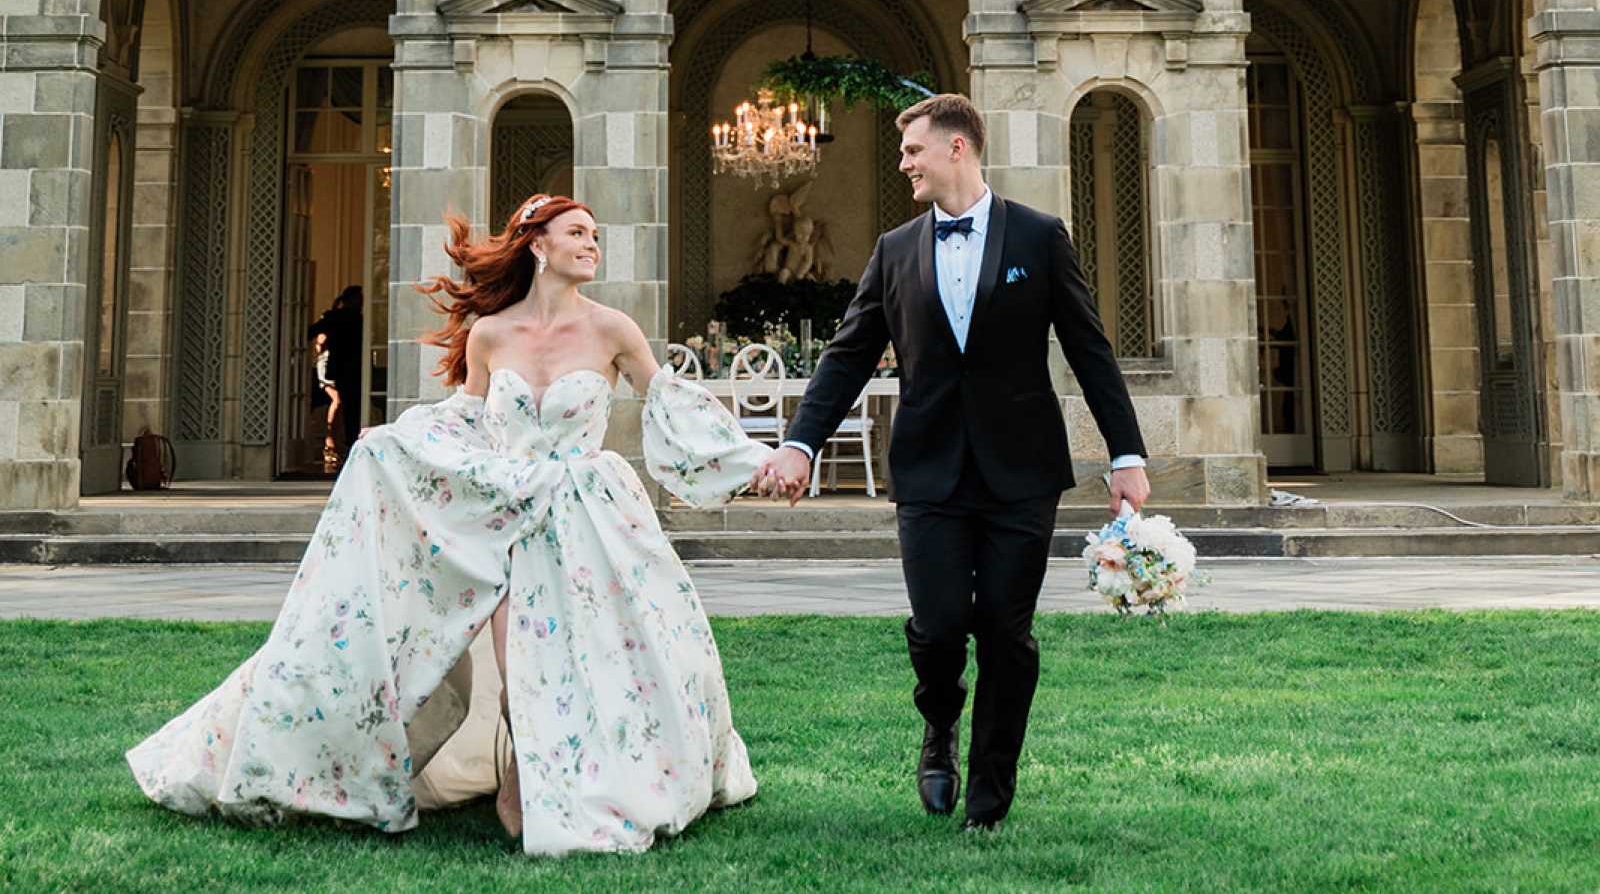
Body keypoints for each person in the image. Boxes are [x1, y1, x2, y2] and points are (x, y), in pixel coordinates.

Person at [127, 194, 765, 855]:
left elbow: (670, 404)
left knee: (610, 652)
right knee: (515, 649)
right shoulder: (490, 334)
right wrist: (390, 438)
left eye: (596, 234)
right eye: (578, 232)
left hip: (589, 515)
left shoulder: (613, 329)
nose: (593, 243)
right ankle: (522, 773)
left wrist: (754, 460)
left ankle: (613, 769)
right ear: (537, 244)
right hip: (507, 512)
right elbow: (465, 419)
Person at [754, 93, 1149, 832]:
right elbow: (846, 357)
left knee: (1005, 631)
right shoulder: (893, 249)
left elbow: (1091, 350)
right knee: (939, 627)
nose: (903, 162)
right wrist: (800, 443)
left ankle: (988, 802)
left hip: (1021, 471)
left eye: (913, 150)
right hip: (929, 471)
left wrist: (1125, 453)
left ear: (957, 148)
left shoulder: (1039, 237)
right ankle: (939, 728)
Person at [308, 282, 364, 467]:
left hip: (345, 368)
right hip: (348, 369)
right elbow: (312, 333)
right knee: (349, 406)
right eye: (359, 298)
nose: (362, 302)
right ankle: (349, 444)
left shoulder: (337, 317)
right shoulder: (349, 318)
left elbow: (310, 331)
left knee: (350, 407)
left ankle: (349, 444)